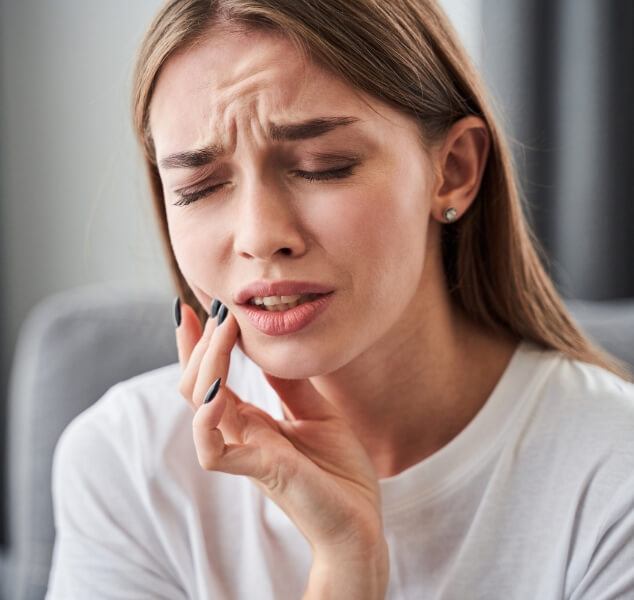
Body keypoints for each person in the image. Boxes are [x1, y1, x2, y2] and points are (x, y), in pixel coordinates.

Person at [46, 1, 634, 598]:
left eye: (322, 166)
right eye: (199, 188)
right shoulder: (126, 464)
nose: (258, 236)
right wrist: (345, 566)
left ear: (453, 170)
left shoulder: (615, 475)